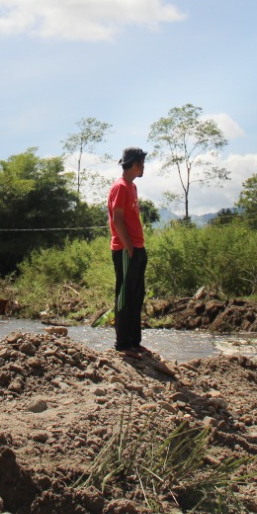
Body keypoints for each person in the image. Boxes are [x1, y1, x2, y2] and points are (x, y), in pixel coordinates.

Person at [109, 147, 148, 358]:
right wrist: (130, 248)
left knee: (137, 295)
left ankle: (134, 342)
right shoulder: (120, 187)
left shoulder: (132, 188)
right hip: (125, 249)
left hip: (137, 248)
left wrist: (138, 249)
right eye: (142, 163)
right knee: (125, 296)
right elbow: (117, 220)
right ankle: (123, 344)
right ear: (134, 163)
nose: (143, 168)